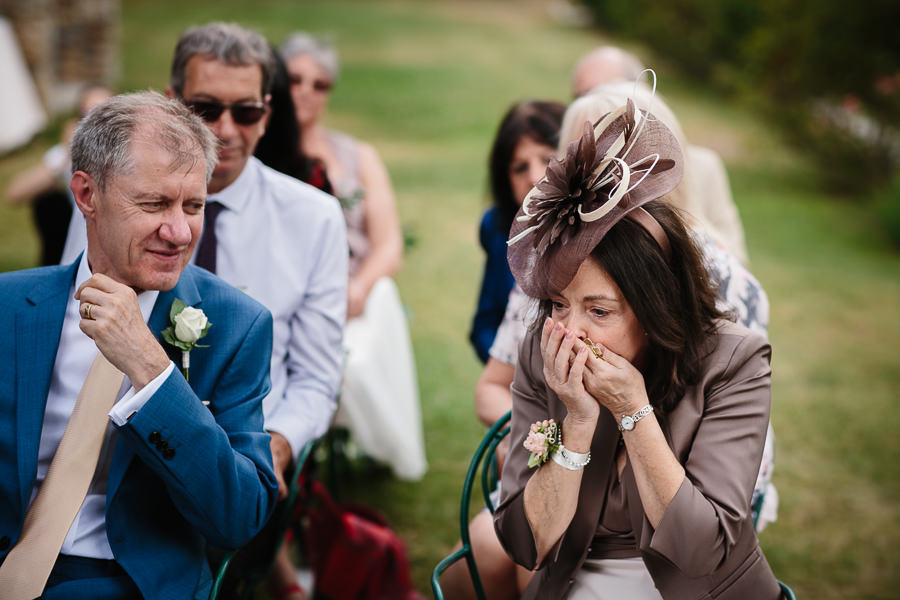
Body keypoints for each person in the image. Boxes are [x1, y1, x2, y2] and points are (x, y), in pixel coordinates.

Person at [493, 94, 783, 599]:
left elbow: (699, 553)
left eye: (599, 311)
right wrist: (578, 426)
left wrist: (633, 411)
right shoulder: (544, 351)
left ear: (655, 309)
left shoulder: (734, 363)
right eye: (559, 304)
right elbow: (523, 544)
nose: (571, 330)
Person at [0, 91, 278, 599]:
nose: (178, 232)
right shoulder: (9, 305)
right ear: (86, 194)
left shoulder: (237, 327)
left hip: (128, 581)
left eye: (193, 206)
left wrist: (153, 372)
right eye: (153, 203)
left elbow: (239, 517)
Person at [166, 24, 348, 600]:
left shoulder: (313, 218)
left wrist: (278, 443)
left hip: (250, 447)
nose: (224, 131)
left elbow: (319, 377)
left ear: (268, 113)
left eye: (244, 112)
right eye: (204, 109)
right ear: (173, 104)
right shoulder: (117, 202)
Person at [280, 32, 425, 481]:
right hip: (291, 289)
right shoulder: (263, 155)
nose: (305, 91)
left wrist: (359, 287)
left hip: (354, 292)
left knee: (362, 346)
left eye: (319, 84)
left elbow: (388, 244)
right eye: (295, 79)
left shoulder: (357, 156)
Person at [571, 46, 750, 266]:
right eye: (582, 95)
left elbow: (735, 255)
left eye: (612, 89)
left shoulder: (703, 166)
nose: (599, 101)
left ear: (644, 90)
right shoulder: (570, 169)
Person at [469, 100, 566, 363]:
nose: (534, 176)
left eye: (547, 158)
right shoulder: (499, 228)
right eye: (519, 167)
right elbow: (484, 327)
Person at [5, 83, 112, 265]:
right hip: (65, 245)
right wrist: (68, 155)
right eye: (88, 116)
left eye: (104, 116)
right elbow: (14, 193)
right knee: (50, 201)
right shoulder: (65, 155)